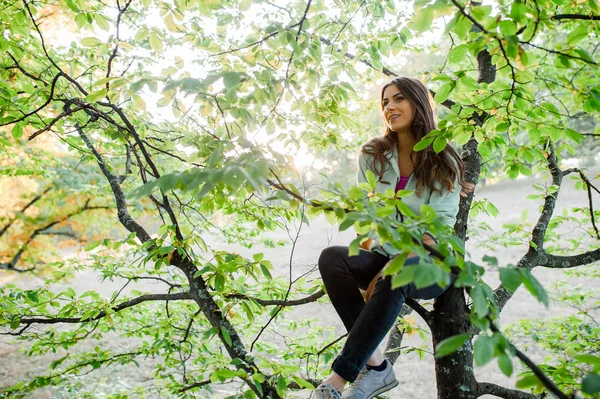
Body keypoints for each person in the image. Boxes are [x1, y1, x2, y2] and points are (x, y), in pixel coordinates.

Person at [314, 77, 468, 399]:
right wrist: (367, 265)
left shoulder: (443, 158)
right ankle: (378, 368)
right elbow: (366, 216)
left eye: (398, 99)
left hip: (430, 263)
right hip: (385, 257)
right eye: (385, 102)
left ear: (418, 103)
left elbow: (438, 227)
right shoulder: (373, 154)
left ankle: (337, 382)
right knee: (332, 257)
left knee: (399, 271)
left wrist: (390, 269)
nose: (390, 107)